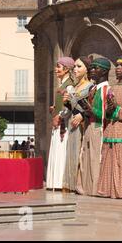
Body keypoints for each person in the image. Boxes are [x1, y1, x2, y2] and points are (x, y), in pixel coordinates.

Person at [98, 56, 122, 199]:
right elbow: (107, 112)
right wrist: (109, 110)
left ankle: (121, 191)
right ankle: (107, 190)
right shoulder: (112, 88)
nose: (118, 67)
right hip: (111, 130)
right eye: (116, 64)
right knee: (109, 162)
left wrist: (115, 109)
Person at [76, 57, 111, 196]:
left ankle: (95, 188)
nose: (92, 70)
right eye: (91, 68)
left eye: (95, 68)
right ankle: (85, 187)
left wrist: (91, 111)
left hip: (98, 127)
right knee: (85, 158)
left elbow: (106, 113)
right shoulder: (94, 88)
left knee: (95, 159)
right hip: (88, 126)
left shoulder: (106, 89)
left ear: (104, 71)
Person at [62, 56, 94, 193]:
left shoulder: (91, 86)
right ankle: (70, 183)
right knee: (71, 152)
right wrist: (67, 102)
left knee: (80, 153)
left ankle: (80, 184)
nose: (75, 69)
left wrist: (82, 115)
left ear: (87, 69)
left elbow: (92, 106)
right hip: (72, 124)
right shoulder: (74, 86)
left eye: (79, 66)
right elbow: (73, 107)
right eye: (74, 66)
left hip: (83, 125)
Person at [46, 57, 75, 190]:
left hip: (63, 125)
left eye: (59, 67)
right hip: (58, 124)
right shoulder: (62, 85)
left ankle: (59, 182)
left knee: (60, 151)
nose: (56, 69)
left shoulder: (69, 86)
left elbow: (70, 106)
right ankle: (54, 183)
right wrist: (54, 108)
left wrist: (60, 115)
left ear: (67, 69)